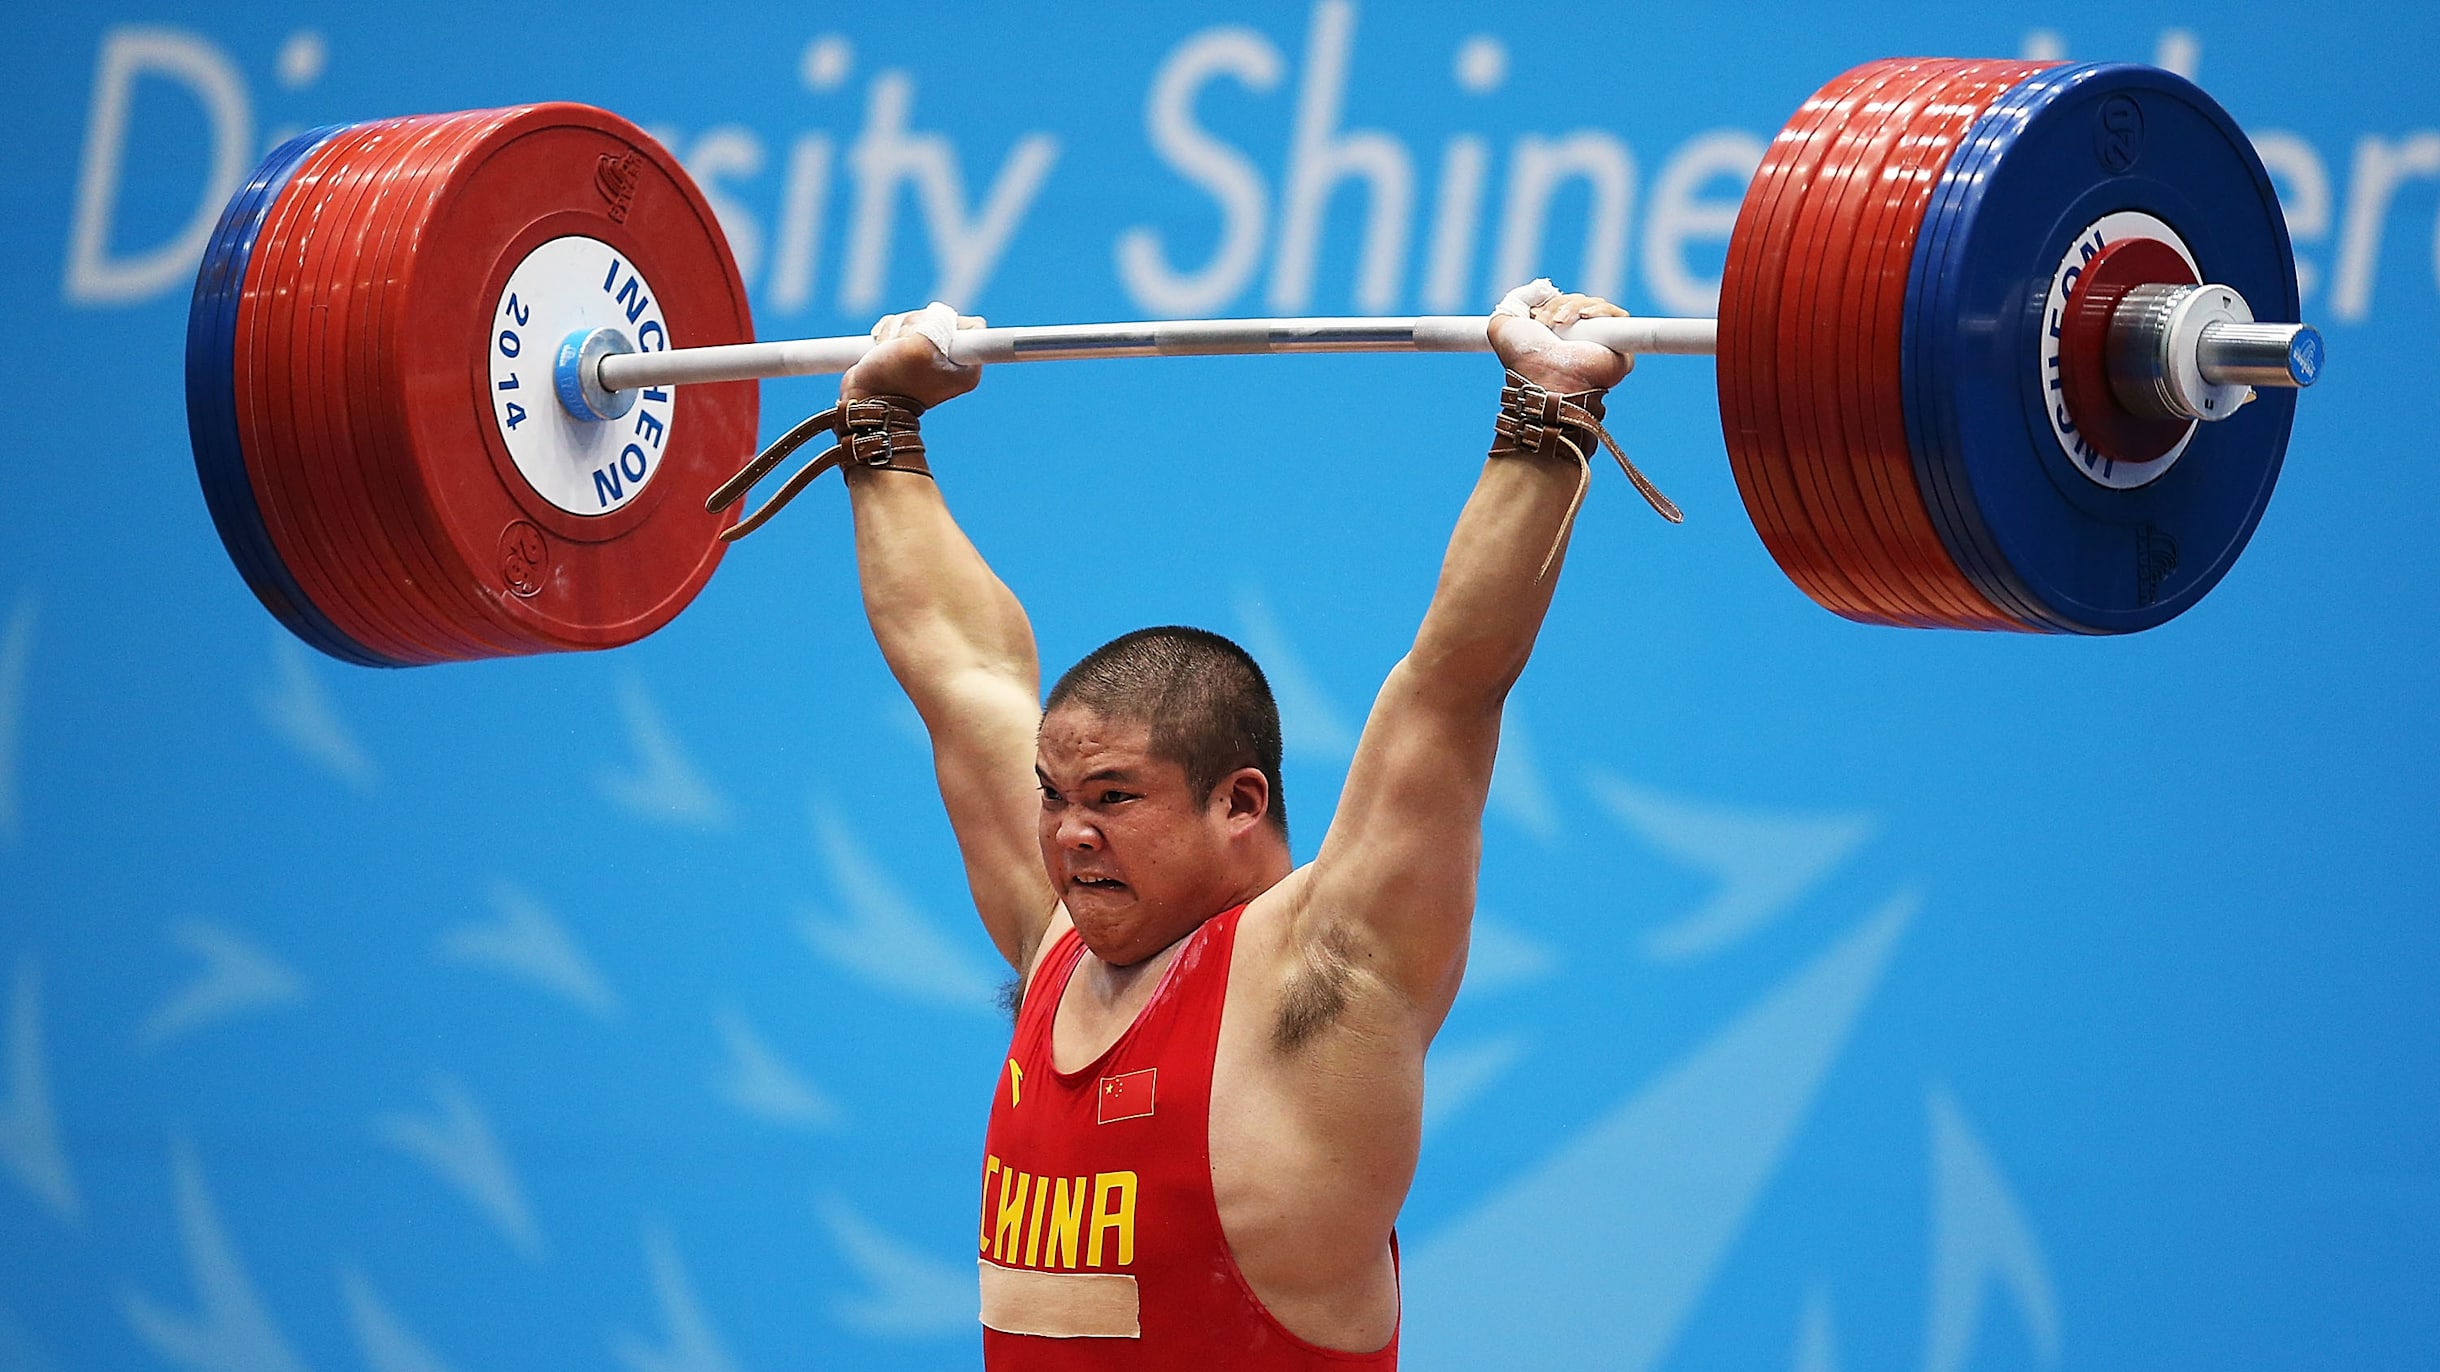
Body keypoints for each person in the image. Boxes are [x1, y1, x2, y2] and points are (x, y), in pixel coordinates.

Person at [760, 281, 1647, 1367]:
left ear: (1239, 801)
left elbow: (1449, 690)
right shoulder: (1057, 936)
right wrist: (878, 430)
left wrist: (1545, 413)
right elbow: (960, 673)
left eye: (1113, 799)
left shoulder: (1326, 977)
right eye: (1056, 796)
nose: (1068, 833)